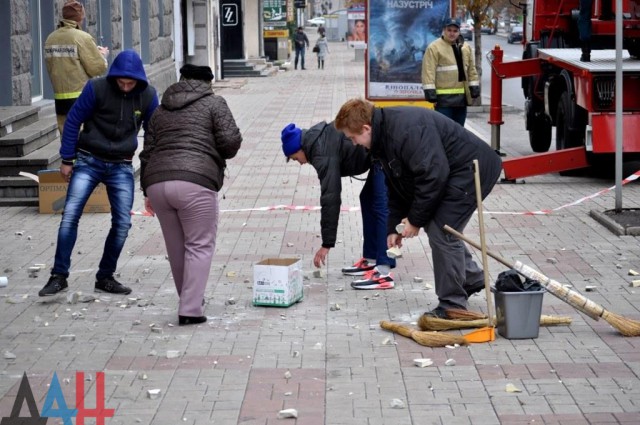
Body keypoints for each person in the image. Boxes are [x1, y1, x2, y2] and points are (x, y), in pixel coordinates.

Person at [334, 98, 503, 316]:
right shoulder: (382, 137)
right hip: (451, 171)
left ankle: (452, 304)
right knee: (440, 226)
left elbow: (432, 176)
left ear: (366, 128)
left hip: (472, 169)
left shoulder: (404, 131)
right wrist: (393, 228)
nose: (354, 143)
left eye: (353, 137)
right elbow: (396, 185)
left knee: (442, 230)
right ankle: (470, 278)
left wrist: (414, 220)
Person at [38, 50, 159, 298]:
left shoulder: (148, 95)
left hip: (122, 164)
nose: (125, 87)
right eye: (121, 82)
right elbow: (73, 120)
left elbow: (154, 134)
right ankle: (58, 276)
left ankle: (105, 277)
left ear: (139, 80)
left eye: (130, 83)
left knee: (123, 223)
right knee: (70, 216)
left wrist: (150, 177)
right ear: (114, 76)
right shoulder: (96, 88)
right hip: (88, 158)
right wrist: (67, 159)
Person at [140, 65, 242, 326]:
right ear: (208, 83)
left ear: (181, 80)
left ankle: (188, 298)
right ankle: (190, 308)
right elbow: (230, 144)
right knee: (199, 244)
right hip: (194, 181)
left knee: (176, 247)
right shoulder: (214, 103)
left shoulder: (161, 110)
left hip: (157, 184)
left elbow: (147, 152)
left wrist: (146, 191)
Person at [281, 122, 396, 290]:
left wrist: (327, 243)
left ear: (299, 149)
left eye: (295, 158)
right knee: (367, 198)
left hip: (384, 151)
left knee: (380, 205)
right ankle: (371, 259)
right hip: (375, 152)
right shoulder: (314, 142)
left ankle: (384, 272)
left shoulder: (320, 153)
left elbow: (331, 197)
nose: (299, 163)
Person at [44, 0, 109, 135]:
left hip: (60, 98)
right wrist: (103, 56)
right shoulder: (82, 37)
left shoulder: (50, 38)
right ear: (80, 18)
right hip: (81, 97)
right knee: (83, 139)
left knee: (67, 137)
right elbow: (96, 68)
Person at [421, 18, 480, 127]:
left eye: (455, 31)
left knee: (459, 132)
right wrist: (430, 92)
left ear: (459, 31)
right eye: (449, 30)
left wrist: (474, 87)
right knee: (445, 131)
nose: (452, 33)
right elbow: (428, 71)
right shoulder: (434, 48)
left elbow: (471, 69)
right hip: (444, 101)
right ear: (444, 30)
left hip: (461, 99)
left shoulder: (465, 47)